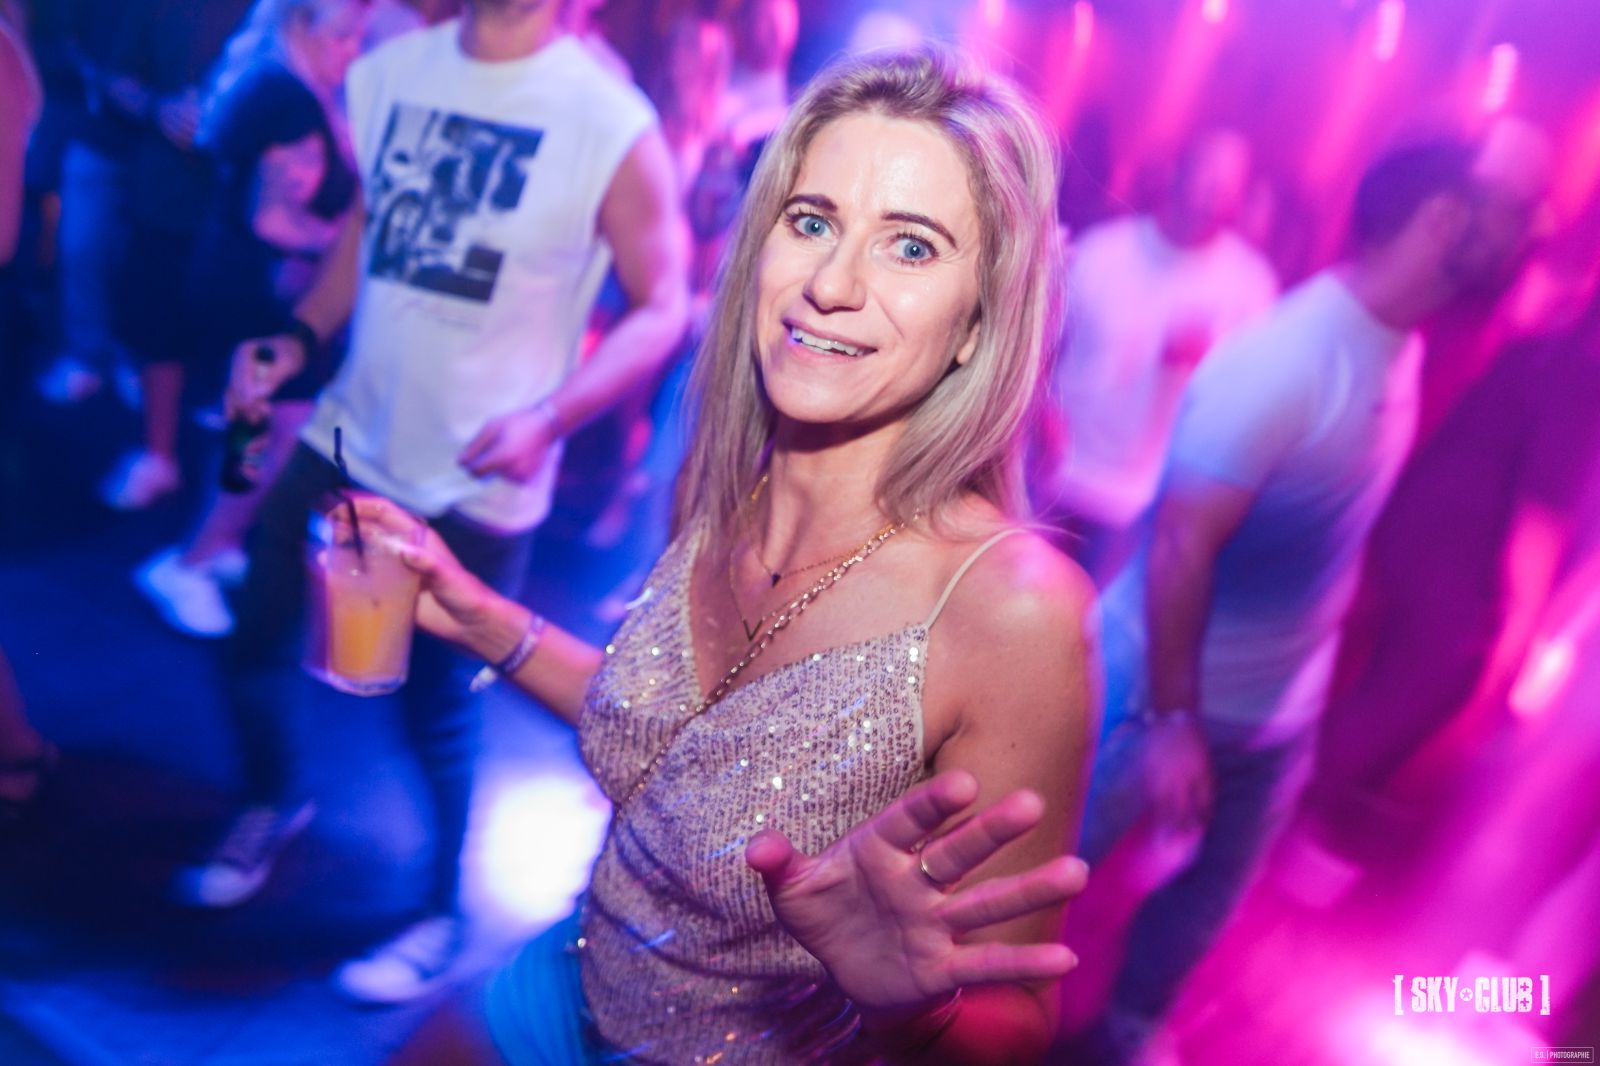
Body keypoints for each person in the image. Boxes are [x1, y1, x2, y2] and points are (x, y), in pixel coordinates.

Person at [368, 43, 1097, 1064]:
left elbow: (1019, 1022)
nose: (831, 283)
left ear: (978, 323)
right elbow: (680, 747)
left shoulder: (1012, 611)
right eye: (813, 222)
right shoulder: (728, 484)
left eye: (910, 246)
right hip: (574, 973)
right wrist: (474, 614)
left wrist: (909, 1008)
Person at [170, 0, 691, 1006]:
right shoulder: (394, 70)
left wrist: (551, 416)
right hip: (344, 437)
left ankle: (441, 910)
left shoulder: (608, 120)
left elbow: (663, 301)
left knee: (434, 709)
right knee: (252, 637)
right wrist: (297, 338)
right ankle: (273, 800)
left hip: (476, 480)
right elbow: (368, 232)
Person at [1072, 133, 1550, 1062]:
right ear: (1441, 221)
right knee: (1035, 881)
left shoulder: (1400, 347)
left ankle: (1120, 1037)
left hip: (1275, 714)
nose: (1519, 239)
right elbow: (1179, 546)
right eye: (1501, 218)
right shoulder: (1285, 361)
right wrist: (1173, 721)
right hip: (1154, 697)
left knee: (1203, 902)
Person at [132, 0, 371, 639]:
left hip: (240, 287)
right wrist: (354, 246)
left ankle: (217, 542)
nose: (352, 52)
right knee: (266, 437)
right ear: (299, 26)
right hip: (259, 300)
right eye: (343, 37)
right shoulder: (290, 102)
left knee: (254, 433)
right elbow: (274, 219)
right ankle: (191, 562)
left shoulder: (275, 86)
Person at [1039, 129, 1278, 586]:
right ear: (1176, 172)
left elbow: (1252, 407)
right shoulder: (1103, 250)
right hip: (1058, 472)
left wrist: (1208, 366)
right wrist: (1041, 409)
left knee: (1092, 619)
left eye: (1229, 187)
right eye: (1207, 176)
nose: (1214, 194)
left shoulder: (1250, 285)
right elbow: (1043, 340)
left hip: (1144, 499)